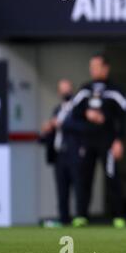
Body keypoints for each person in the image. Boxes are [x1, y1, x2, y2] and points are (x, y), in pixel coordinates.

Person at [71, 53, 126, 228]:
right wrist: (87, 113)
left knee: (112, 177)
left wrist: (119, 140)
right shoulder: (85, 90)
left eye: (96, 66)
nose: (93, 69)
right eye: (91, 66)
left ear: (105, 68)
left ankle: (118, 216)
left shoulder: (115, 90)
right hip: (87, 142)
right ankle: (81, 215)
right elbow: (74, 112)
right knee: (84, 178)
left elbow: (124, 118)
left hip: (108, 141)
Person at [40, 79, 81, 226]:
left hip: (74, 154)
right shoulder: (57, 109)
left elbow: (81, 128)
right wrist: (47, 130)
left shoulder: (78, 109)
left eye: (67, 89)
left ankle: (81, 218)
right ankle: (64, 219)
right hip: (59, 155)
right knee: (61, 190)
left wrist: (62, 124)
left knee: (78, 187)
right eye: (62, 90)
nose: (65, 92)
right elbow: (53, 130)